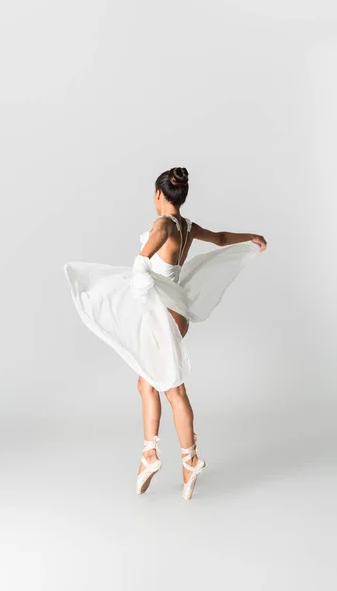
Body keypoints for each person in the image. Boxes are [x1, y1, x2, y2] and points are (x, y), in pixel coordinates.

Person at [63, 166, 267, 500]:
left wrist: (138, 290)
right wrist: (249, 236)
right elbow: (219, 239)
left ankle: (183, 457)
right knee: (148, 381)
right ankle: (155, 454)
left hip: (161, 312)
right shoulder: (187, 226)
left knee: (171, 387)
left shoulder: (161, 225)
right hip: (177, 311)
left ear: (159, 195)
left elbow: (142, 266)